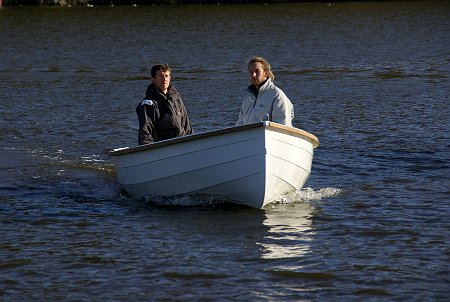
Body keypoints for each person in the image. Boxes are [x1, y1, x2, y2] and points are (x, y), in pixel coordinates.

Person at [136, 64, 193, 145]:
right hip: (164, 147)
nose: (164, 79)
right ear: (153, 80)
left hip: (183, 145)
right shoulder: (148, 104)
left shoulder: (176, 98)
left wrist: (193, 143)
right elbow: (145, 133)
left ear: (170, 78)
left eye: (166, 76)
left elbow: (187, 125)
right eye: (160, 76)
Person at [236, 56, 294, 127]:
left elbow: (283, 126)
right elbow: (239, 125)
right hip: (249, 137)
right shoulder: (247, 98)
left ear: (266, 73)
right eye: (251, 72)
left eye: (257, 71)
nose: (253, 75)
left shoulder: (277, 95)